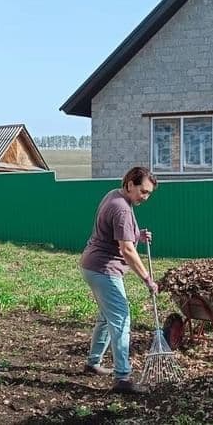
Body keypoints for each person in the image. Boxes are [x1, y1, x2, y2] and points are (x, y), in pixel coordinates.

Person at [80, 166, 159, 395]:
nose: (145, 197)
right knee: (121, 320)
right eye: (143, 191)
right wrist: (147, 278)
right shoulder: (122, 209)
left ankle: (93, 362)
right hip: (104, 270)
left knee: (106, 318)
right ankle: (122, 378)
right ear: (130, 184)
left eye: (149, 193)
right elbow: (127, 250)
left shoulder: (114, 195)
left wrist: (137, 235)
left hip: (92, 265)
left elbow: (119, 234)